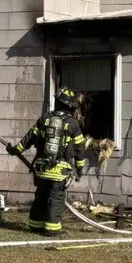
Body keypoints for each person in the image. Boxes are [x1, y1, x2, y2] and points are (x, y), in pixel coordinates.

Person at [12, 86, 86, 236]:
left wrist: (16, 150)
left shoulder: (45, 118)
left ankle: (35, 225)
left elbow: (29, 138)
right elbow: (80, 149)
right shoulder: (72, 124)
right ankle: (52, 229)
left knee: (40, 197)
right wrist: (79, 169)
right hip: (59, 171)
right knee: (55, 199)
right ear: (70, 106)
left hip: (41, 169)